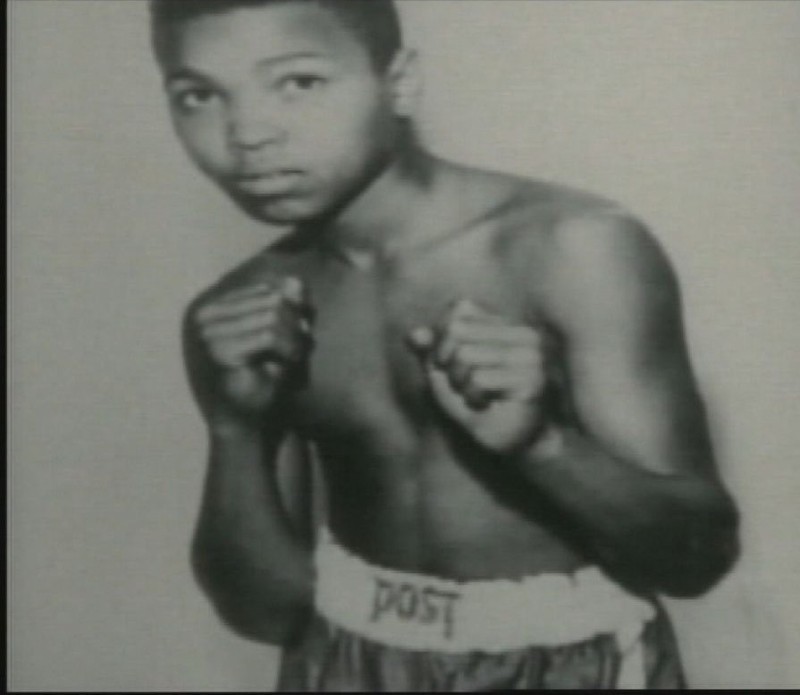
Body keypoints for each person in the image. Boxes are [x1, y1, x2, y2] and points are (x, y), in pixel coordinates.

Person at [151, 0, 740, 689]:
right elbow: (267, 612)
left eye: (298, 82)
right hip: (344, 661)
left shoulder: (570, 249)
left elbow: (696, 561)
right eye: (198, 96)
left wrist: (541, 443)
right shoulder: (241, 308)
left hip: (572, 664)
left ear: (398, 82)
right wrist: (233, 427)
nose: (247, 132)